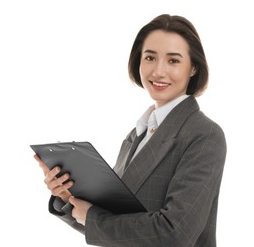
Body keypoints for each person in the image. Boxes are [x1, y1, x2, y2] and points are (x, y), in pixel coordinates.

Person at [34, 14, 227, 247]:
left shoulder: (204, 135)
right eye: (150, 57)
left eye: (173, 61)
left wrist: (92, 217)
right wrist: (67, 198)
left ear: (194, 67)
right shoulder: (137, 135)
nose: (158, 71)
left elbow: (175, 233)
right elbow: (113, 223)